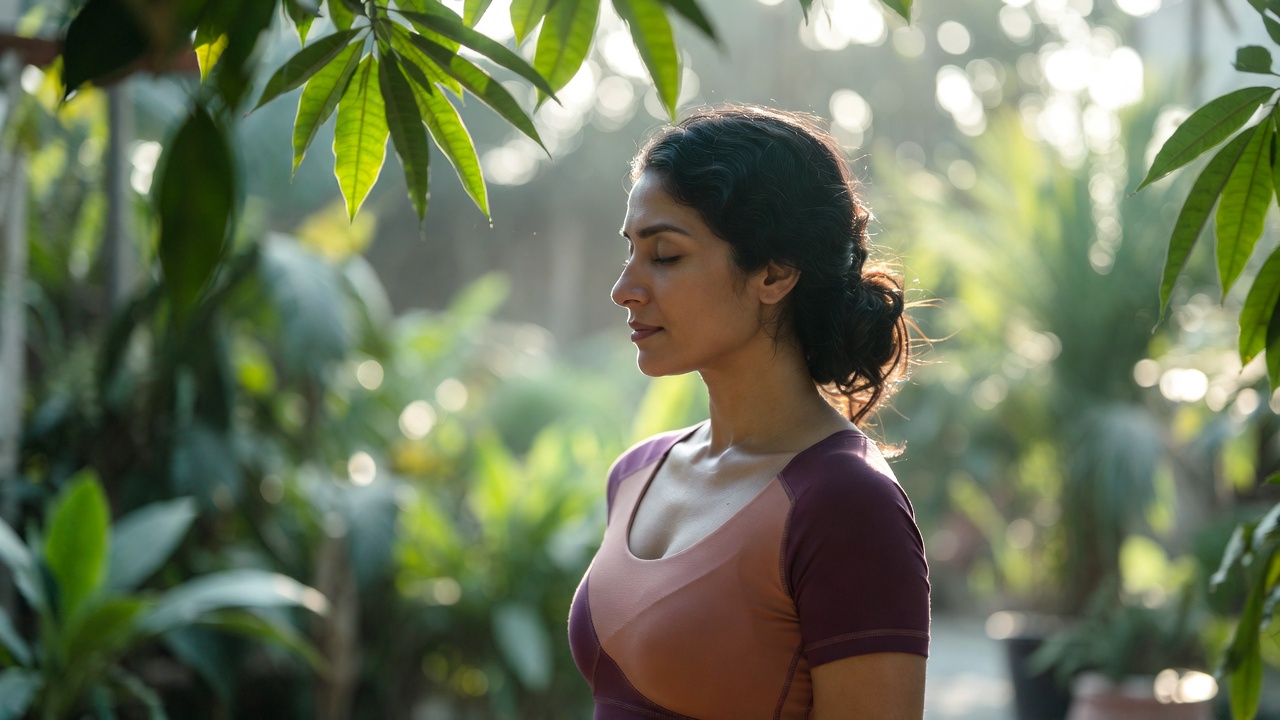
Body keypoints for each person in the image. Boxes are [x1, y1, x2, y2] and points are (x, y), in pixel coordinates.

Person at [567, 105, 930, 719]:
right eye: (630, 250)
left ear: (775, 272)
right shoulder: (636, 474)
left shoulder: (846, 504)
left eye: (665, 255)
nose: (624, 287)